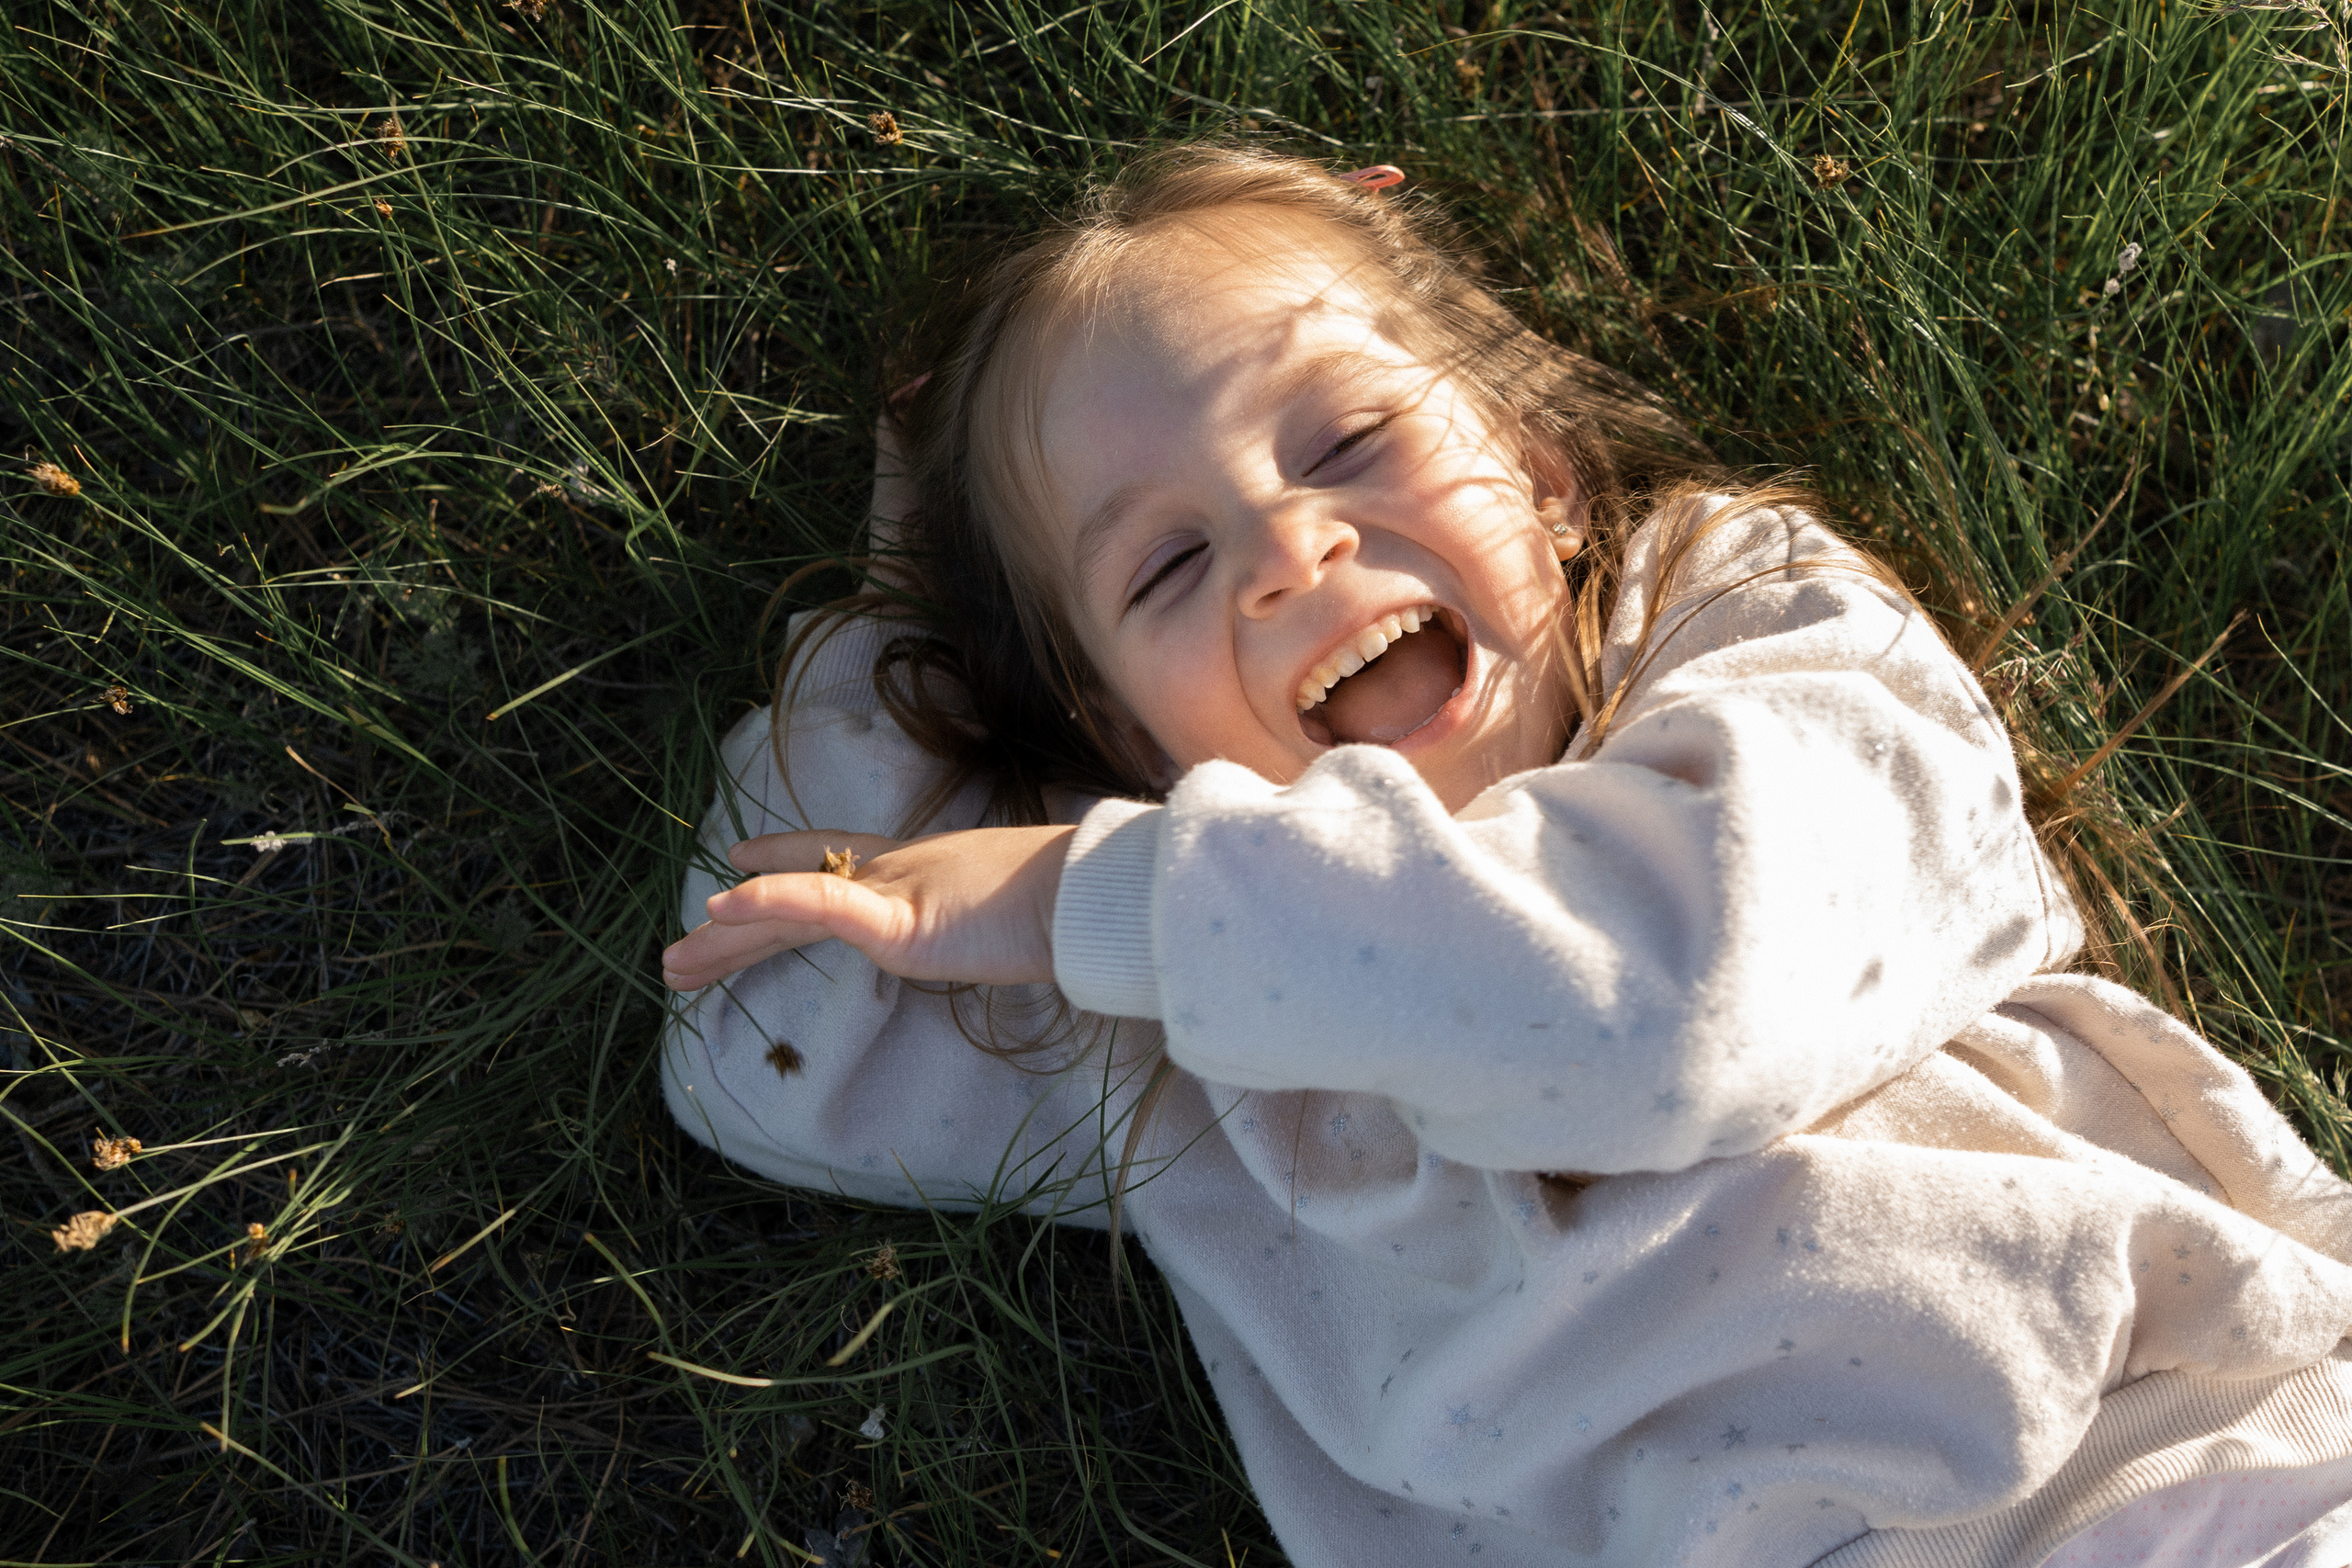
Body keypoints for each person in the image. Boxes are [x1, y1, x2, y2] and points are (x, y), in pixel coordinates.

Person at [657, 145, 2352, 1568]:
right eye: (1164, 569)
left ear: (1540, 473)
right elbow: (765, 1046)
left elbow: (1658, 1009)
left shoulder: (1763, 649)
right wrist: (902, 629)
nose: (1288, 544)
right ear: (1120, 739)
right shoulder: (1176, 1032)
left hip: (2172, 1492)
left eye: (1346, 441)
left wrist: (1084, 898)